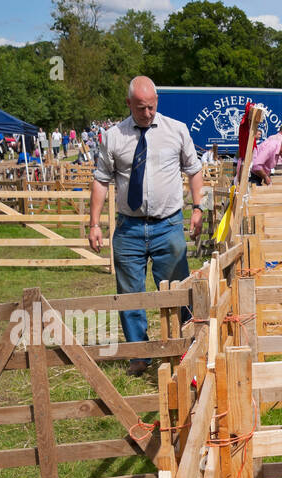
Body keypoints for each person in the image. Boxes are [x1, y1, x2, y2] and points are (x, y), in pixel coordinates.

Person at [90, 76, 203, 375]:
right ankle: (139, 355)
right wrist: (94, 224)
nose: (148, 113)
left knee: (179, 290)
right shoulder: (113, 136)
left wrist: (198, 207)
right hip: (129, 228)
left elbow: (194, 170)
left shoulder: (176, 130)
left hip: (168, 225)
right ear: (128, 104)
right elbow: (101, 180)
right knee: (130, 294)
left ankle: (187, 345)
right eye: (141, 108)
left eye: (152, 107)